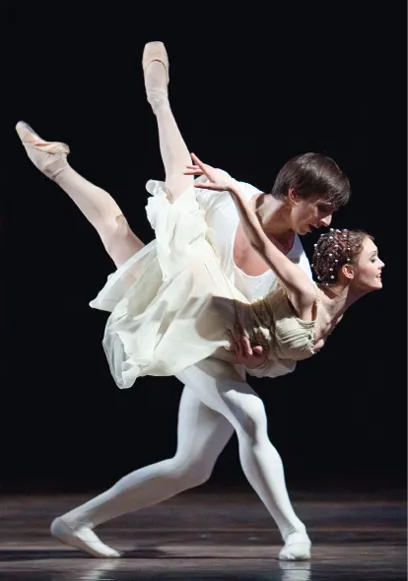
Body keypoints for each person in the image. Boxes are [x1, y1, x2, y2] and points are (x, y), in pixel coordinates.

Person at [15, 41, 351, 561]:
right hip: (178, 317)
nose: (326, 221)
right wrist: (161, 102)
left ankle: (74, 522)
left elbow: (278, 332)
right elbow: (177, 175)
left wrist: (259, 357)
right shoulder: (233, 192)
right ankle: (294, 533)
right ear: (294, 194)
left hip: (214, 341)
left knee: (191, 466)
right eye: (322, 208)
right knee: (251, 418)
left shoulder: (298, 265)